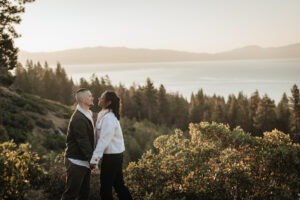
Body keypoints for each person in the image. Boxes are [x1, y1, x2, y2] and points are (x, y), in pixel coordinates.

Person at [90, 91, 132, 200]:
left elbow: (104, 140)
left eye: (102, 97)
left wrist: (94, 159)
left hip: (112, 157)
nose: (99, 98)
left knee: (105, 189)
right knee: (118, 185)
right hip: (113, 156)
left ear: (108, 103)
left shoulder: (109, 118)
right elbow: (98, 138)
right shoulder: (103, 115)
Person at [61, 88, 95, 200]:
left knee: (84, 194)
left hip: (83, 160)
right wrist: (92, 160)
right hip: (76, 161)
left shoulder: (88, 113)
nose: (92, 97)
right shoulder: (78, 118)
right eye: (89, 96)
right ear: (81, 99)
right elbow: (83, 141)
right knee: (70, 194)